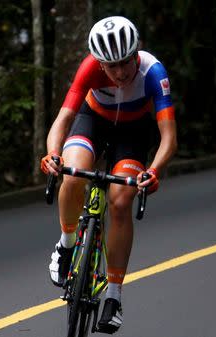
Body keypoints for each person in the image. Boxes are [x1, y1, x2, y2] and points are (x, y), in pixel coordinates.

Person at [40, 16, 177, 333]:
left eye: (124, 63)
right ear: (99, 63)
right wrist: (53, 153)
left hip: (133, 134)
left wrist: (153, 171)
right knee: (73, 176)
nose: (118, 73)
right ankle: (66, 244)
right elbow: (64, 118)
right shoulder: (89, 67)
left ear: (136, 52)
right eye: (109, 65)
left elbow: (168, 136)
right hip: (94, 121)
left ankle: (114, 295)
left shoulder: (153, 72)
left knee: (119, 201)